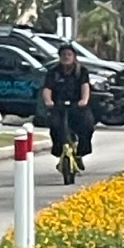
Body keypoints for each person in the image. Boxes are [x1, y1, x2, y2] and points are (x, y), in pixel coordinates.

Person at [42, 42, 94, 170]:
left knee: (87, 125)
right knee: (55, 127)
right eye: (63, 54)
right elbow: (47, 89)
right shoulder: (53, 72)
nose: (66, 57)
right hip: (59, 105)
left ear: (74, 56)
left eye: (69, 54)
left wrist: (84, 100)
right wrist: (48, 101)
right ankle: (60, 152)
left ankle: (80, 153)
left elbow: (85, 87)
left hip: (78, 105)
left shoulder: (81, 71)